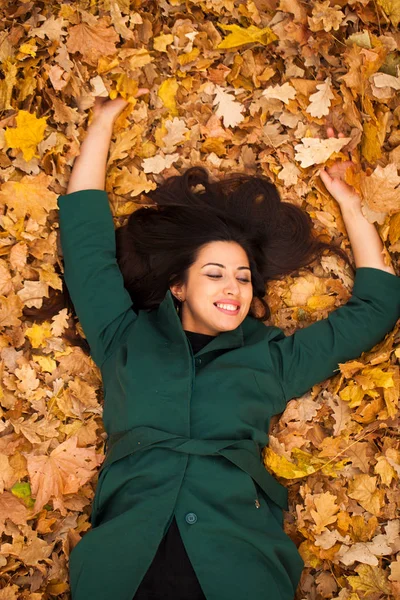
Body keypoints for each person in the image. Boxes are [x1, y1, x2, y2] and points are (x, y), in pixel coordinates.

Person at [55, 95, 400, 600]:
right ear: (179, 287)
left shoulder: (271, 358)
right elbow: (85, 239)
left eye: (242, 278)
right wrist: (103, 122)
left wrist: (351, 205)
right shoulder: (123, 338)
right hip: (124, 562)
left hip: (236, 562)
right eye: (214, 274)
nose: (232, 287)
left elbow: (376, 307)